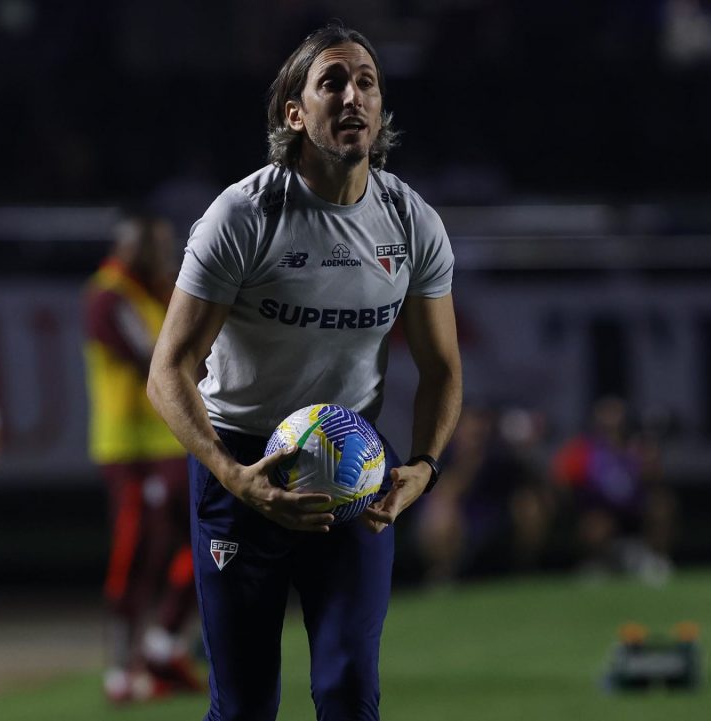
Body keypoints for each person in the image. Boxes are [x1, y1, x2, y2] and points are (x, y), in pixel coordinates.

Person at [146, 23, 463, 721]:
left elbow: (441, 367)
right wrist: (234, 477)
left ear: (380, 110)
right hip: (243, 465)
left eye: (367, 83)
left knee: (349, 693)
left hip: (354, 468)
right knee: (245, 705)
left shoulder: (413, 224)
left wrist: (425, 466)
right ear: (295, 113)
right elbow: (168, 370)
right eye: (333, 82)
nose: (354, 95)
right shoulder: (242, 216)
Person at [82, 209, 202, 703]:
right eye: (157, 244)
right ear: (131, 246)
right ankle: (121, 670)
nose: (167, 253)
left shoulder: (160, 289)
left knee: (209, 539)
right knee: (136, 555)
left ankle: (162, 643)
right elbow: (154, 357)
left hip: (171, 443)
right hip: (132, 451)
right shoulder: (108, 295)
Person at [414, 403, 555, 584]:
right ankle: (443, 573)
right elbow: (446, 493)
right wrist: (469, 463)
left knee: (529, 505)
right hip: (458, 518)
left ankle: (526, 568)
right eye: (471, 427)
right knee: (440, 513)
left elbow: (526, 484)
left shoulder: (497, 454)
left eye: (481, 427)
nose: (477, 433)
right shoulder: (442, 454)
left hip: (492, 515)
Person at [551, 395, 675, 583]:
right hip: (599, 510)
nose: (612, 420)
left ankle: (656, 559)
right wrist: (576, 503)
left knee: (662, 506)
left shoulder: (638, 445)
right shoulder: (583, 448)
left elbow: (656, 476)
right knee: (596, 524)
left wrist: (648, 464)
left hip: (635, 508)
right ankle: (599, 564)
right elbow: (560, 477)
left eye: (616, 413)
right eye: (606, 414)